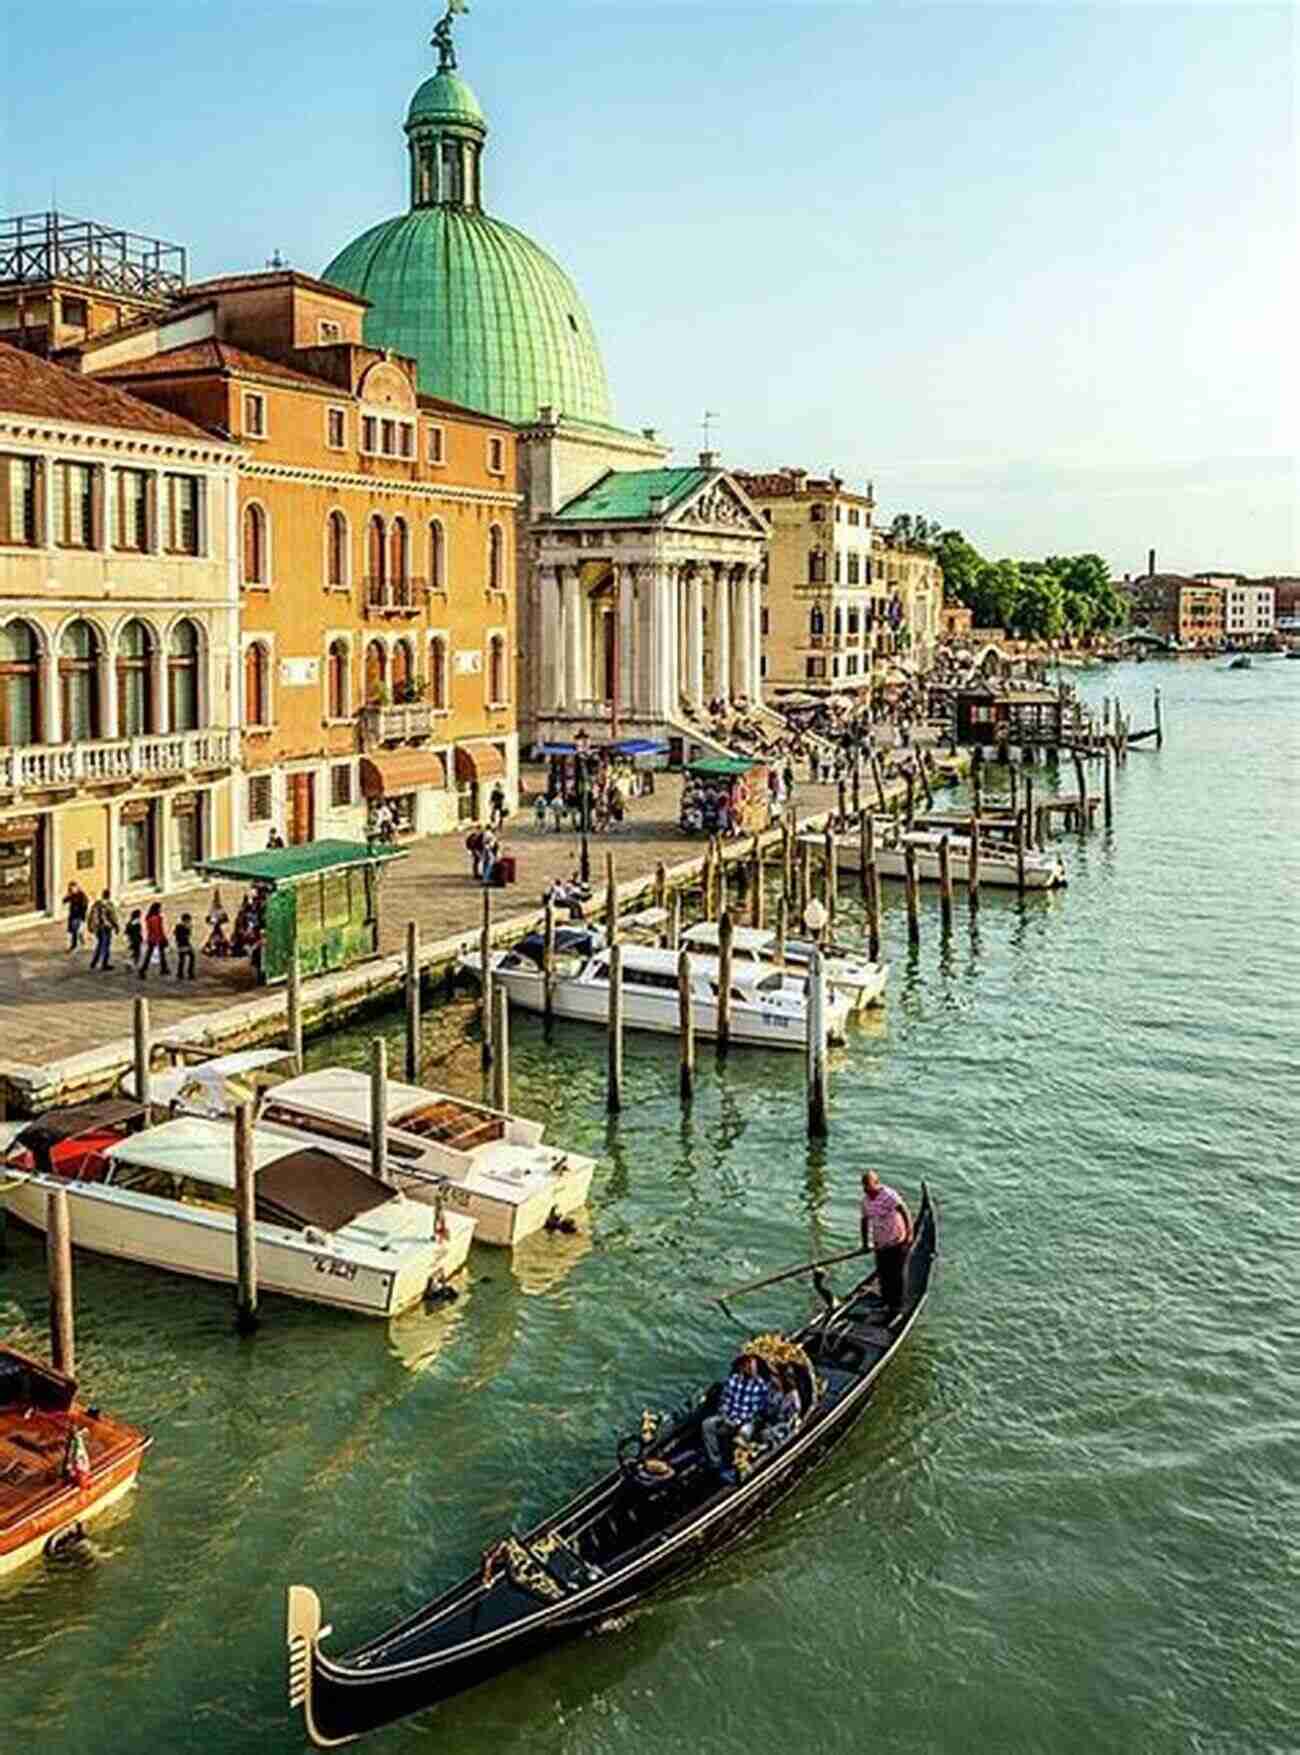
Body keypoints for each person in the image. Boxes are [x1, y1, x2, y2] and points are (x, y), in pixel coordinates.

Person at [702, 1353, 769, 1483]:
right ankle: (716, 1463)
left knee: (744, 1433)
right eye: (747, 1364)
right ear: (742, 1367)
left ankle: (739, 1468)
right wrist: (725, 1417)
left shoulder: (761, 1386)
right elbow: (724, 1402)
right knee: (707, 1425)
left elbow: (757, 1412)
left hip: (747, 1423)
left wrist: (739, 1422)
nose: (750, 1367)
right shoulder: (733, 1380)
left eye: (752, 1364)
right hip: (729, 1419)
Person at [860, 1170, 913, 1321]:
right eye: (864, 1187)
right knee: (883, 1275)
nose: (866, 1190)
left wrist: (909, 1234)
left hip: (897, 1241)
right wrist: (865, 1244)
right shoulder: (865, 1201)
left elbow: (904, 1211)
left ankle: (898, 1308)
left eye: (868, 1186)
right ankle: (885, 1302)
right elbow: (864, 1221)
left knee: (896, 1276)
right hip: (880, 1244)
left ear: (876, 1183)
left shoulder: (889, 1195)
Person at [87, 889, 118, 971]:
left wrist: (90, 927)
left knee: (100, 944)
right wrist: (116, 926)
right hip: (106, 928)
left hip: (98, 928)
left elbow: (90, 916)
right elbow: (113, 917)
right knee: (106, 946)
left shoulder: (97, 904)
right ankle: (104, 963)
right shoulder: (109, 905)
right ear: (109, 896)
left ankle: (94, 962)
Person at [138, 901, 170, 979]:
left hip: (151, 938)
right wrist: (162, 938)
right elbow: (158, 930)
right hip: (156, 938)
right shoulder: (156, 918)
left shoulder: (149, 917)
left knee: (152, 954)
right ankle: (144, 969)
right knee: (156, 954)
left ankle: (163, 968)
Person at [63, 880, 88, 952]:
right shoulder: (71, 895)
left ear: (76, 887)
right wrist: (68, 894)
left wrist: (83, 917)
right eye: (70, 888)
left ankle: (74, 945)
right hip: (72, 915)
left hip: (78, 916)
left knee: (74, 931)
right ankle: (81, 940)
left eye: (73, 888)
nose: (72, 890)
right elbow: (64, 900)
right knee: (74, 931)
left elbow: (85, 906)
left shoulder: (81, 895)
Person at [204, 889, 229, 956]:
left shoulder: (219, 909)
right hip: (216, 926)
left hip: (217, 926)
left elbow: (226, 919)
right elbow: (208, 919)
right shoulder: (213, 909)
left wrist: (219, 920)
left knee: (220, 939)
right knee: (216, 938)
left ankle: (216, 949)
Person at [174, 912, 196, 981]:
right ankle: (188, 973)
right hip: (183, 944)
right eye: (189, 920)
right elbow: (183, 936)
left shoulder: (180, 925)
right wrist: (187, 929)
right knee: (188, 957)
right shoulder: (181, 926)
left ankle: (181, 973)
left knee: (183, 959)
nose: (189, 921)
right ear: (186, 919)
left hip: (183, 944)